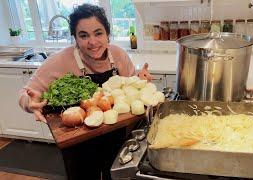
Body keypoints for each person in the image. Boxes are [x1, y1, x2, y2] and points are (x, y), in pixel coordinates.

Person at [18, 3, 152, 180]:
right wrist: (30, 102)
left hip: (118, 139)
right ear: (75, 38)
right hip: (78, 147)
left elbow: (129, 83)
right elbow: (25, 93)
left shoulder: (118, 55)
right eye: (83, 35)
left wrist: (139, 79)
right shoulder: (60, 61)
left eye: (98, 33)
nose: (93, 42)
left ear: (107, 35)